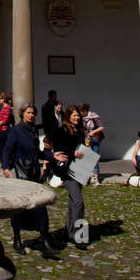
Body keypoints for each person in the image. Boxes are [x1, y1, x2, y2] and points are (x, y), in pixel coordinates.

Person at [1, 104, 58, 258]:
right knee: (20, 207)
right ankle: (17, 239)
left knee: (40, 205)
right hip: (21, 171)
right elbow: (7, 150)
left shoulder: (34, 130)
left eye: (33, 113)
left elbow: (37, 152)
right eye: (29, 112)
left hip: (33, 171)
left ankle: (45, 239)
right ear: (22, 114)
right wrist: (5, 167)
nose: (32, 115)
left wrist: (52, 156)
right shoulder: (15, 131)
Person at [52, 103, 87, 246]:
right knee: (79, 202)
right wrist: (72, 152)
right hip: (67, 170)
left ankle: (68, 232)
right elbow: (58, 148)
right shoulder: (63, 130)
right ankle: (77, 236)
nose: (77, 118)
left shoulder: (79, 131)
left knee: (74, 202)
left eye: (78, 115)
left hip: (78, 168)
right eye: (74, 115)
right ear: (68, 116)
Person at [80, 102, 104, 185]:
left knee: (94, 157)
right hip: (86, 139)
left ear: (85, 111)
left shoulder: (93, 116)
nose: (80, 114)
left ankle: (96, 178)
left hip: (95, 139)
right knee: (87, 157)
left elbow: (101, 127)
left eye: (81, 112)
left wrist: (93, 132)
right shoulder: (81, 118)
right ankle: (86, 176)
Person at [0, 91, 14, 163]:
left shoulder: (7, 108)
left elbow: (5, 120)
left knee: (3, 149)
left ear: (3, 99)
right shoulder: (4, 108)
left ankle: (4, 165)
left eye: (0, 98)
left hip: (4, 131)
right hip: (1, 131)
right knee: (1, 149)